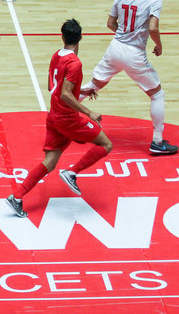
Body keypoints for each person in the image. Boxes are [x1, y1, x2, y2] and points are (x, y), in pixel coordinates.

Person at [6, 19, 112, 218]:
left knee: (50, 161)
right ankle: (72, 172)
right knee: (106, 145)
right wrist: (88, 112)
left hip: (54, 116)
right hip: (68, 119)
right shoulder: (75, 63)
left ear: (62, 36)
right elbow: (65, 94)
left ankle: (17, 197)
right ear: (81, 38)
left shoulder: (57, 56)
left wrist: (83, 90)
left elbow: (53, 88)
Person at [80, 0, 178, 155]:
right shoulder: (155, 0)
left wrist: (125, 34)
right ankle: (157, 142)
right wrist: (158, 45)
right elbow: (153, 28)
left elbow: (110, 23)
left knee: (94, 84)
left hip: (115, 48)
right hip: (134, 54)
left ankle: (60, 117)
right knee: (157, 95)